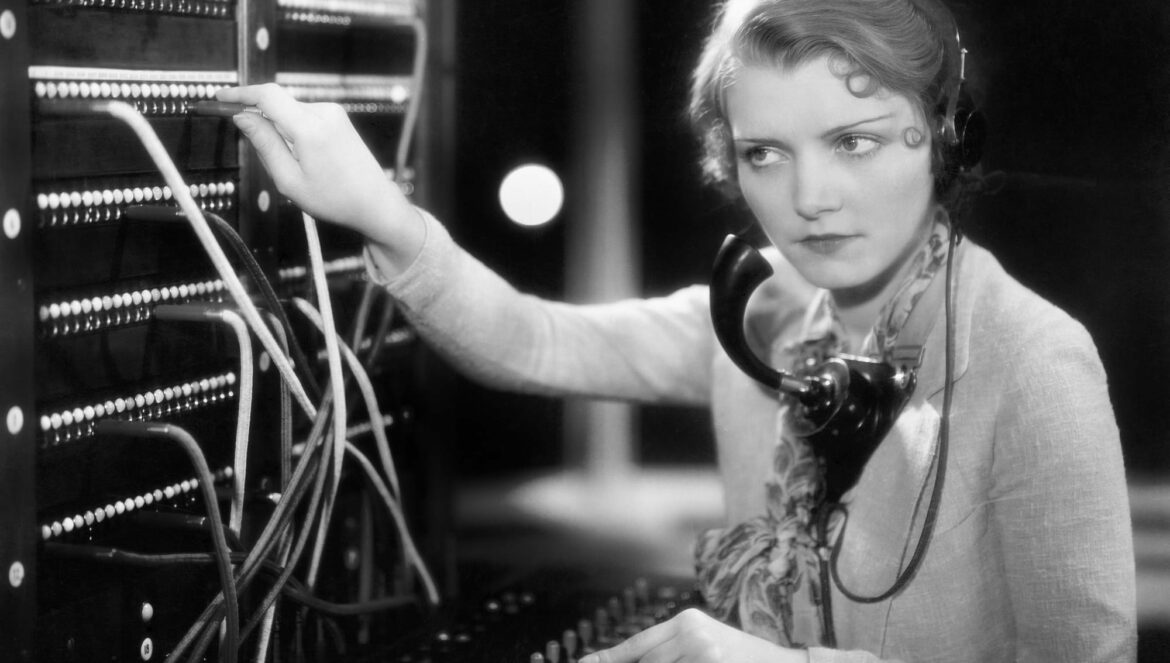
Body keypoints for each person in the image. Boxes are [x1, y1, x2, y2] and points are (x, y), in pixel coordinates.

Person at [218, 0, 1137, 660]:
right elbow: (534, 340)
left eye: (853, 140)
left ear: (942, 137)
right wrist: (381, 214)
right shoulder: (765, 314)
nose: (808, 198)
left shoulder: (1036, 361)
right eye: (764, 154)